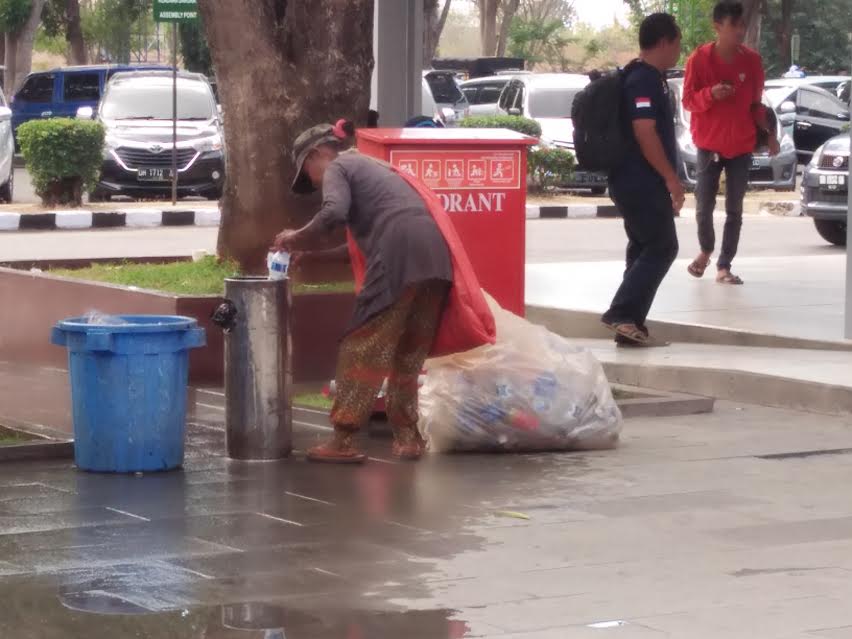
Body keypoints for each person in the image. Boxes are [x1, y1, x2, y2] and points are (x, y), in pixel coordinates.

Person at [272, 122, 458, 464]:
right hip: (435, 261)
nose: (315, 181)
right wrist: (311, 256)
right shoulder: (374, 168)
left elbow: (334, 212)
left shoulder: (339, 165)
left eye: (308, 172)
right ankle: (408, 438)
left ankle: (344, 438)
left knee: (360, 346)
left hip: (398, 258)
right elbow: (357, 248)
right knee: (407, 353)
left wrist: (295, 236)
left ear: (315, 154)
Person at [601, 13, 683, 347]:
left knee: (642, 249)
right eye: (677, 44)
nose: (679, 51)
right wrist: (671, 179)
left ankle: (631, 326)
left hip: (634, 180)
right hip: (640, 180)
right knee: (663, 246)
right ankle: (621, 313)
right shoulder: (642, 80)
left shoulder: (647, 77)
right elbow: (644, 131)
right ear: (664, 42)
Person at [683, 1, 779, 285]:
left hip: (741, 146)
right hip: (708, 145)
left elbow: (756, 105)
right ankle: (706, 250)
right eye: (734, 24)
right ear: (718, 26)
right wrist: (711, 94)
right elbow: (688, 101)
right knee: (703, 206)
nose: (740, 30)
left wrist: (771, 135)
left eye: (742, 24)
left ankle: (724, 266)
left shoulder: (752, 61)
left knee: (734, 209)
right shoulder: (698, 60)